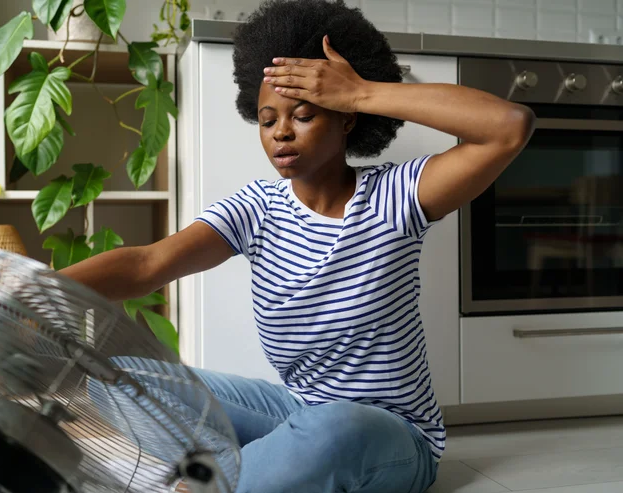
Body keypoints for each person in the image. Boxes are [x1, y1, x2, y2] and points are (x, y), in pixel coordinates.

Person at [61, 0, 535, 491]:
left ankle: (216, 478)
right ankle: (229, 478)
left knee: (335, 429)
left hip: (388, 433)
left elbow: (508, 128)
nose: (281, 132)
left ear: (346, 119)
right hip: (295, 414)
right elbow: (145, 264)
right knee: (114, 376)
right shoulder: (257, 208)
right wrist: (23, 292)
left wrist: (363, 91)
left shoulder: (398, 195)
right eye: (267, 121)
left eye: (304, 114)